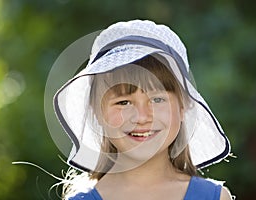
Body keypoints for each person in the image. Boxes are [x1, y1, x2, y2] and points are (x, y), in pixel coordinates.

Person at [53, 20, 233, 200]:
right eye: (123, 102)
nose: (142, 117)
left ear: (184, 105)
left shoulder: (213, 197)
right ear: (97, 111)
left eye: (157, 99)